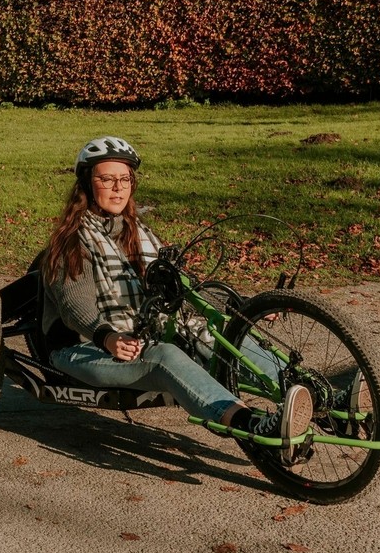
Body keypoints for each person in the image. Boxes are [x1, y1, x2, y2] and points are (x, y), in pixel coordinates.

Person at [41, 136, 314, 461]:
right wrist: (109, 337)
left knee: (214, 336)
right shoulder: (70, 243)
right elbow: (75, 306)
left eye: (124, 179)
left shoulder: (137, 233)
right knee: (165, 356)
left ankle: (319, 399)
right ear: (87, 184)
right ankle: (254, 425)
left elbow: (182, 288)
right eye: (106, 179)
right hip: (84, 347)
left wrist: (241, 305)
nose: (118, 187)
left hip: (141, 337)